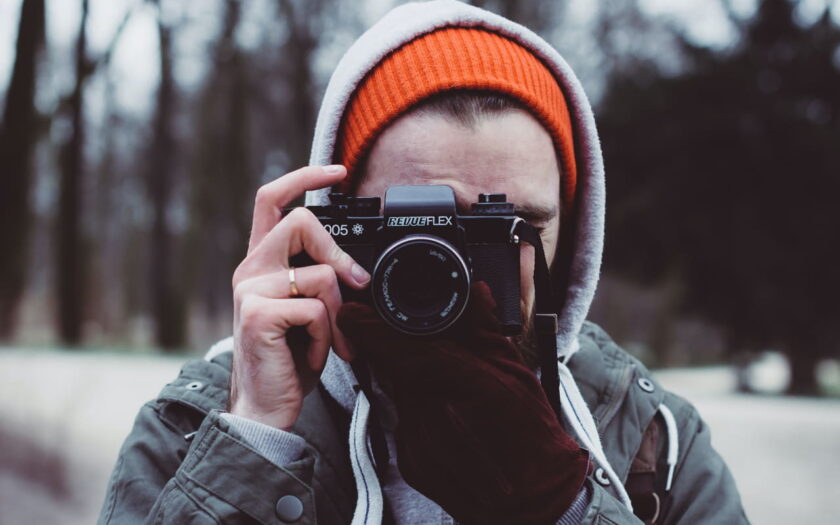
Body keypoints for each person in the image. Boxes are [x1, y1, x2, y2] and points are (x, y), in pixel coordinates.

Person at [98, 1, 749, 524]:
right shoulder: (194, 426)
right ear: (337, 221)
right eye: (414, 228)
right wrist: (255, 442)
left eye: (507, 227)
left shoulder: (649, 444)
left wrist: (559, 503)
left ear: (572, 241)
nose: (451, 270)